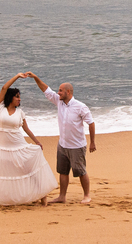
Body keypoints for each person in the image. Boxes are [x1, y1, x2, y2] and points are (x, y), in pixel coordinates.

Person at [26, 72, 95, 204]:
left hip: (77, 146)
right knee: (63, 172)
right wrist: (35, 77)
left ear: (68, 92)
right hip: (63, 145)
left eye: (61, 90)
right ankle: (62, 196)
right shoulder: (59, 102)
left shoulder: (80, 106)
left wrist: (92, 142)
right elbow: (46, 89)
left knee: (81, 171)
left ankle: (87, 195)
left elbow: (91, 123)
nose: (58, 93)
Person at [0, 73, 56, 206]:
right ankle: (12, 198)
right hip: (5, 149)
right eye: (17, 97)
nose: (19, 99)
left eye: (20, 97)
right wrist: (17, 76)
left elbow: (26, 129)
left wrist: (37, 142)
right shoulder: (1, 108)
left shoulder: (20, 113)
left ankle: (42, 195)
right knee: (9, 174)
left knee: (29, 170)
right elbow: (4, 88)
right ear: (11, 98)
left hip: (19, 146)